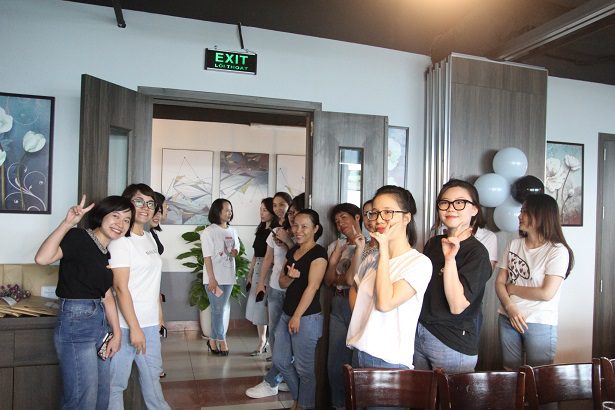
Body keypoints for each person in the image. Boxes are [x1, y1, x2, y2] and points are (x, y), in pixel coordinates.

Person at [35, 195, 133, 410]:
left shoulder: (105, 252)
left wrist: (116, 333)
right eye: (115, 216)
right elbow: (42, 259)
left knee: (101, 395)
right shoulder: (78, 237)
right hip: (76, 322)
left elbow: (106, 295)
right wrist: (68, 223)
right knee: (82, 399)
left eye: (126, 220)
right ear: (101, 215)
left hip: (100, 324)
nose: (120, 223)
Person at [347, 185, 432, 375]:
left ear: (406, 218)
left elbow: (385, 303)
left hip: (388, 360)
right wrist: (364, 320)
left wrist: (384, 250)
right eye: (375, 213)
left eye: (388, 212)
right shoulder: (372, 258)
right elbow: (354, 287)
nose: (379, 219)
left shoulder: (419, 263)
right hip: (359, 350)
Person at [414, 179, 493, 373]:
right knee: (420, 392)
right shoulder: (433, 243)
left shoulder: (477, 253)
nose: (451, 208)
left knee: (451, 394)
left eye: (459, 202)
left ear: (474, 209)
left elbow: (457, 305)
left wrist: (450, 259)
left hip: (452, 340)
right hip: (420, 333)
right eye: (444, 202)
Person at [108, 183, 171, 410]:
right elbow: (120, 288)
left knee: (152, 379)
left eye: (150, 203)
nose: (145, 207)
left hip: (150, 323)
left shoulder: (150, 237)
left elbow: (154, 284)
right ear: (128, 204)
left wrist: (159, 317)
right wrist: (135, 329)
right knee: (116, 385)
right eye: (139, 201)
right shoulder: (120, 242)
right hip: (125, 325)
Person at [495, 193, 574, 370]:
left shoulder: (557, 251)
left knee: (539, 376)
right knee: (510, 372)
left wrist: (512, 288)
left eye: (525, 211)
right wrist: (510, 307)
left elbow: (546, 293)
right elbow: (499, 283)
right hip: (508, 316)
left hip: (539, 320)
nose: (519, 216)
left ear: (541, 215)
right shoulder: (514, 245)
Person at [274, 209, 328, 410]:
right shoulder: (292, 252)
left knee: (304, 369)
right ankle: (299, 399)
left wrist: (296, 316)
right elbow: (282, 282)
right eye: (295, 225)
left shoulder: (319, 254)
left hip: (306, 318)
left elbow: (313, 287)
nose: (298, 230)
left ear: (315, 228)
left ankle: (304, 405)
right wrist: (291, 277)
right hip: (286, 314)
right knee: (280, 361)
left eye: (304, 226)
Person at [246, 192, 297, 399]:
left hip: (293, 290)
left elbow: (300, 257)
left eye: (282, 205)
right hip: (275, 288)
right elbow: (267, 259)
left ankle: (279, 378)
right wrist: (261, 284)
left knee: (289, 336)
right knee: (275, 334)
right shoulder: (274, 231)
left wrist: (288, 241)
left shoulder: (299, 231)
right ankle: (279, 376)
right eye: (274, 205)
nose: (278, 209)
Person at [325, 202, 362, 410]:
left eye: (344, 218)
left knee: (358, 359)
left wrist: (339, 275)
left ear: (357, 217)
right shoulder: (335, 246)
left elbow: (349, 279)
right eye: (337, 221)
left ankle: (356, 404)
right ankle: (338, 404)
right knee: (335, 360)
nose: (340, 224)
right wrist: (334, 264)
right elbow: (328, 281)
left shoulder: (368, 244)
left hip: (358, 304)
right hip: (338, 302)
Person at [200, 198, 240, 356]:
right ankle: (222, 340)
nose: (230, 213)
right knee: (217, 309)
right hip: (214, 278)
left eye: (231, 210)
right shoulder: (209, 232)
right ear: (217, 211)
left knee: (220, 310)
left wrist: (235, 252)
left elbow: (236, 248)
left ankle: (212, 340)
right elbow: (207, 257)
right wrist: (211, 279)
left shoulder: (233, 231)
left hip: (228, 276)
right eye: (226, 210)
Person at [245, 197, 276, 355]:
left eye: (265, 210)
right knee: (258, 306)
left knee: (267, 307)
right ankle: (262, 341)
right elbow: (255, 254)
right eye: (260, 210)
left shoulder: (276, 230)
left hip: (269, 269)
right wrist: (250, 274)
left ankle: (268, 343)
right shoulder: (261, 229)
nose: (261, 213)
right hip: (258, 268)